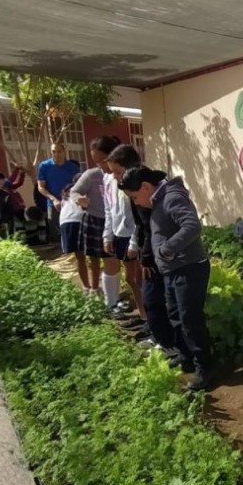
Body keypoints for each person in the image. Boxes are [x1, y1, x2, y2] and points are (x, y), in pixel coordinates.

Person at [120, 165, 216, 391]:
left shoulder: (171, 198)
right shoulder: (158, 200)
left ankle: (206, 366)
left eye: (134, 197)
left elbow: (192, 226)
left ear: (145, 186)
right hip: (174, 270)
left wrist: (166, 250)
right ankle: (186, 357)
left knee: (189, 319)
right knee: (175, 315)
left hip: (189, 268)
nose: (135, 202)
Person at [106, 145, 177, 351]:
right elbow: (141, 225)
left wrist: (146, 257)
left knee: (156, 299)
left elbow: (150, 227)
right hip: (153, 252)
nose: (115, 177)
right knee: (153, 298)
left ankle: (167, 343)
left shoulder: (147, 190)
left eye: (118, 172)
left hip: (159, 254)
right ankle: (160, 338)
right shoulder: (136, 189)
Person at [101, 139, 147, 322]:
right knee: (131, 279)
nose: (113, 175)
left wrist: (135, 242)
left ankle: (149, 319)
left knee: (138, 279)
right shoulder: (111, 183)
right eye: (112, 171)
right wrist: (108, 235)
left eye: (117, 171)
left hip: (135, 238)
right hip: (121, 235)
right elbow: (109, 210)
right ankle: (144, 316)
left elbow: (140, 219)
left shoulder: (139, 186)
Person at [70, 139, 113, 301]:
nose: (101, 165)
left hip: (114, 222)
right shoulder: (91, 175)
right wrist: (79, 199)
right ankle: (95, 289)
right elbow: (74, 191)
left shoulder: (119, 175)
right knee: (94, 258)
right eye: (96, 161)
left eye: (103, 160)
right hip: (95, 220)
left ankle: (112, 293)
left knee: (111, 259)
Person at [37, 142, 81, 243]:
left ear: (64, 152)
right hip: (53, 203)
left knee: (72, 229)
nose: (56, 154)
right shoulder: (44, 166)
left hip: (70, 203)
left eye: (59, 151)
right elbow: (41, 187)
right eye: (53, 152)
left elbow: (79, 185)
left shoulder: (73, 167)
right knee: (55, 228)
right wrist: (53, 199)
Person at [59, 177, 90, 292]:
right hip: (78, 220)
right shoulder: (82, 190)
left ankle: (86, 286)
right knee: (93, 255)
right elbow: (86, 206)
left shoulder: (66, 193)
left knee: (80, 257)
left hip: (65, 222)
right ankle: (92, 285)